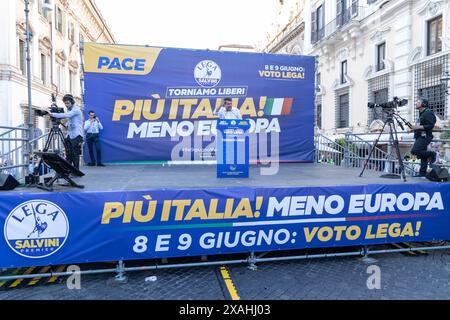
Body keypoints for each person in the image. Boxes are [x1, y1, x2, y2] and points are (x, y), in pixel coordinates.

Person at [50, 94, 83, 170]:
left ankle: (76, 171)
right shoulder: (70, 109)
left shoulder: (76, 109)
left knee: (75, 154)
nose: (66, 105)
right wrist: (67, 124)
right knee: (68, 154)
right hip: (69, 134)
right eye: (65, 103)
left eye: (68, 103)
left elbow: (67, 115)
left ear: (72, 102)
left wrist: (53, 114)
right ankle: (68, 170)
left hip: (76, 135)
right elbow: (70, 120)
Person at [410, 98, 437, 177]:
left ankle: (431, 154)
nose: (416, 103)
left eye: (418, 102)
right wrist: (413, 129)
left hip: (425, 136)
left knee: (414, 151)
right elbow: (420, 125)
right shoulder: (421, 113)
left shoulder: (428, 113)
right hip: (420, 136)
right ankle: (422, 173)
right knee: (422, 156)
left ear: (423, 104)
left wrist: (417, 127)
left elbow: (430, 125)